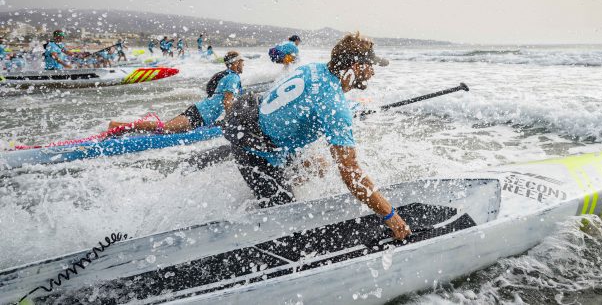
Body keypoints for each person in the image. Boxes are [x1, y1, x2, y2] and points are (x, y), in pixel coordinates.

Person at [223, 32, 409, 240]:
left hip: (255, 127)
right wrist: (392, 216)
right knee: (286, 226)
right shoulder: (334, 107)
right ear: (355, 67)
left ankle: (275, 189)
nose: (372, 72)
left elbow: (307, 103)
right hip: (254, 152)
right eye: (370, 66)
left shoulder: (314, 69)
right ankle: (249, 232)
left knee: (320, 166)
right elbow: (352, 174)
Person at [108, 51, 245, 134]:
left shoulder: (228, 75)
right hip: (200, 114)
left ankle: (120, 126)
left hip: (201, 113)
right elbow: (227, 101)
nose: (243, 64)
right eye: (241, 62)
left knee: (165, 128)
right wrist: (231, 120)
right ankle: (117, 126)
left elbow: (227, 99)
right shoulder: (233, 77)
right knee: (164, 128)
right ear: (235, 63)